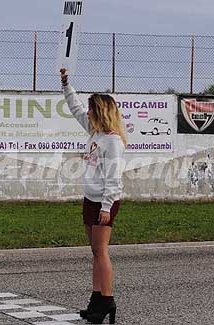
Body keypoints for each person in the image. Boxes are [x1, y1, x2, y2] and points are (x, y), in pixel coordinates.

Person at [61, 68, 126, 324]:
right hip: (90, 199)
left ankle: (107, 300)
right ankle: (96, 299)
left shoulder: (112, 142)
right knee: (95, 252)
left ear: (100, 111)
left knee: (101, 251)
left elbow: (114, 178)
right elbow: (75, 108)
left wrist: (106, 207)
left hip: (104, 202)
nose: (87, 112)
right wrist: (66, 85)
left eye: (91, 109)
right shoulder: (95, 133)